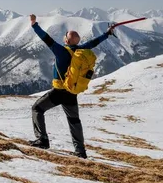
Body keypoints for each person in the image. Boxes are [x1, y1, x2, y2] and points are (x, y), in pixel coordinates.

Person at [28, 13, 114, 158]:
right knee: (74, 121)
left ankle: (42, 140)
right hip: (72, 92)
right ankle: (80, 151)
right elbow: (94, 43)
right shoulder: (82, 50)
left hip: (59, 91)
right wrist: (107, 34)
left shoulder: (61, 51)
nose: (63, 37)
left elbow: (46, 38)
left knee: (37, 108)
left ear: (67, 40)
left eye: (65, 36)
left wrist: (34, 25)